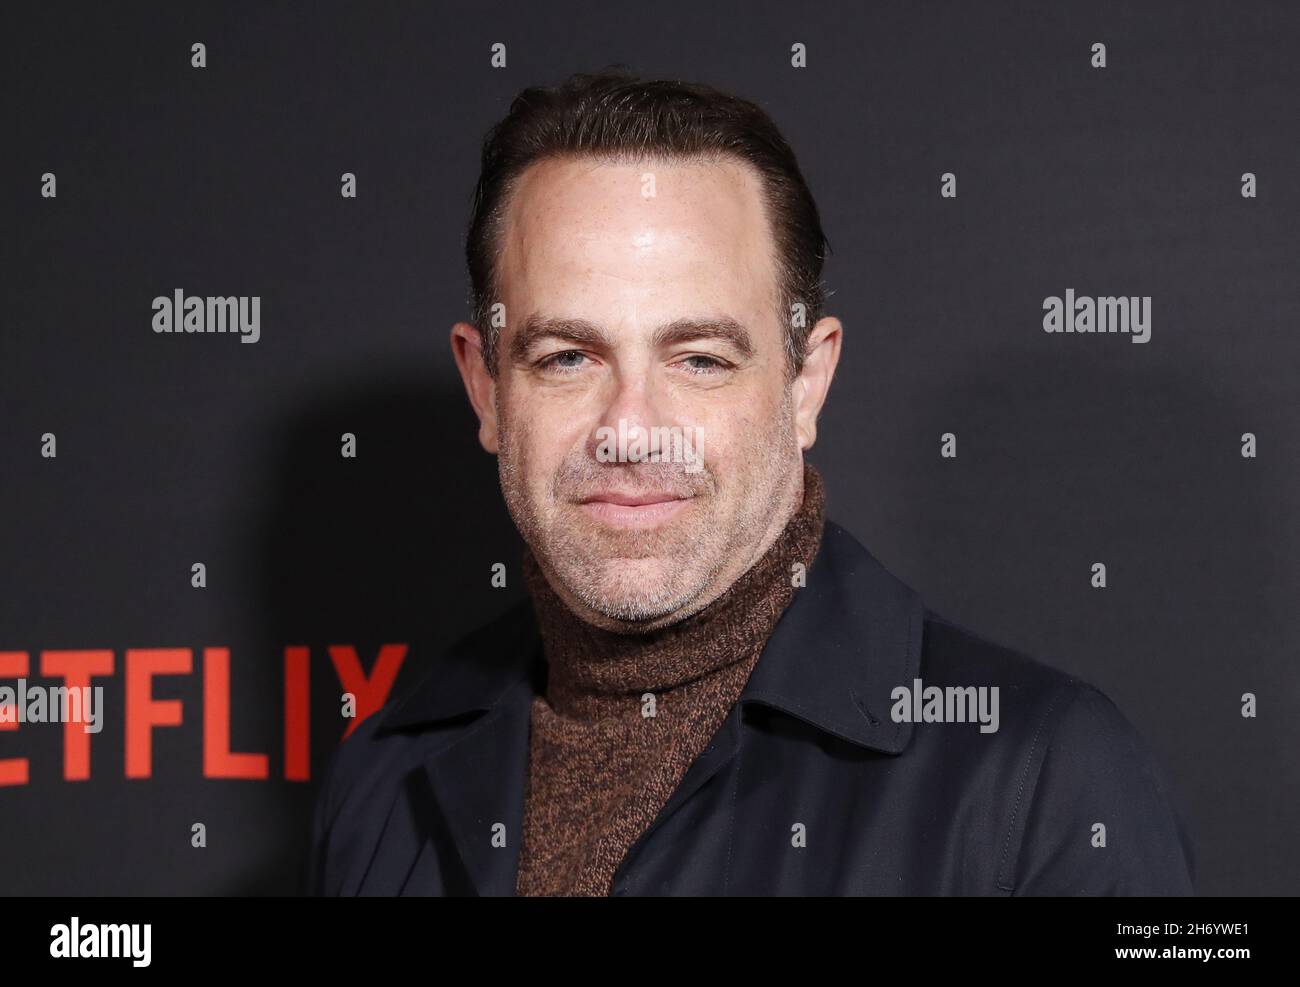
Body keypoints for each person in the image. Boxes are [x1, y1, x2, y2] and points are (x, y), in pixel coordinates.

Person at [305, 70, 1196, 896]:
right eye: (567, 357)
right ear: (487, 389)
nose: (630, 430)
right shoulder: (383, 777)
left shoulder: (1043, 780)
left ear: (806, 383)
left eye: (699, 358)